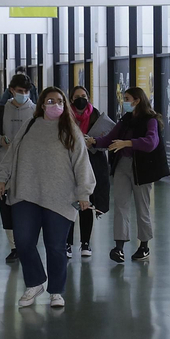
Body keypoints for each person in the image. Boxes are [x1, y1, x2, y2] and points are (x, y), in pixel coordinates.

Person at [0, 86, 95, 309]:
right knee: (23, 241)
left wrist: (84, 193)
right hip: (25, 193)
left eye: (59, 101)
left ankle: (56, 291)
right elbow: (11, 155)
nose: (55, 105)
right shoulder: (29, 126)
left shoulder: (70, 130)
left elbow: (82, 164)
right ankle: (34, 282)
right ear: (41, 104)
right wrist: (2, 178)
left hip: (60, 197)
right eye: (50, 101)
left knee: (56, 246)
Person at [99, 87, 168, 263]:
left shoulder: (150, 120)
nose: (125, 102)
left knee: (142, 208)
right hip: (122, 166)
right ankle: (119, 247)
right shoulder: (126, 120)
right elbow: (109, 139)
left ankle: (144, 246)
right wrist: (93, 142)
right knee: (120, 206)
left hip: (142, 169)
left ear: (137, 100)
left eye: (127, 99)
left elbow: (150, 143)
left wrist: (127, 143)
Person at [0, 73, 32, 263]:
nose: (23, 94)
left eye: (26, 91)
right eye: (20, 91)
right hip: (3, 168)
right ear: (11, 90)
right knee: (6, 208)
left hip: (29, 170)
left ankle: (26, 245)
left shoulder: (36, 112)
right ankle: (14, 247)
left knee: (26, 209)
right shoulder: (1, 112)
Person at [68, 84, 112, 259]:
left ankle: (85, 243)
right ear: (71, 99)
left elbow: (106, 139)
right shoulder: (65, 116)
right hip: (70, 163)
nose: (81, 100)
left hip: (92, 163)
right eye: (77, 97)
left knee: (86, 203)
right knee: (70, 204)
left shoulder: (96, 115)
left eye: (84, 96)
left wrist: (93, 141)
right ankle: (67, 243)